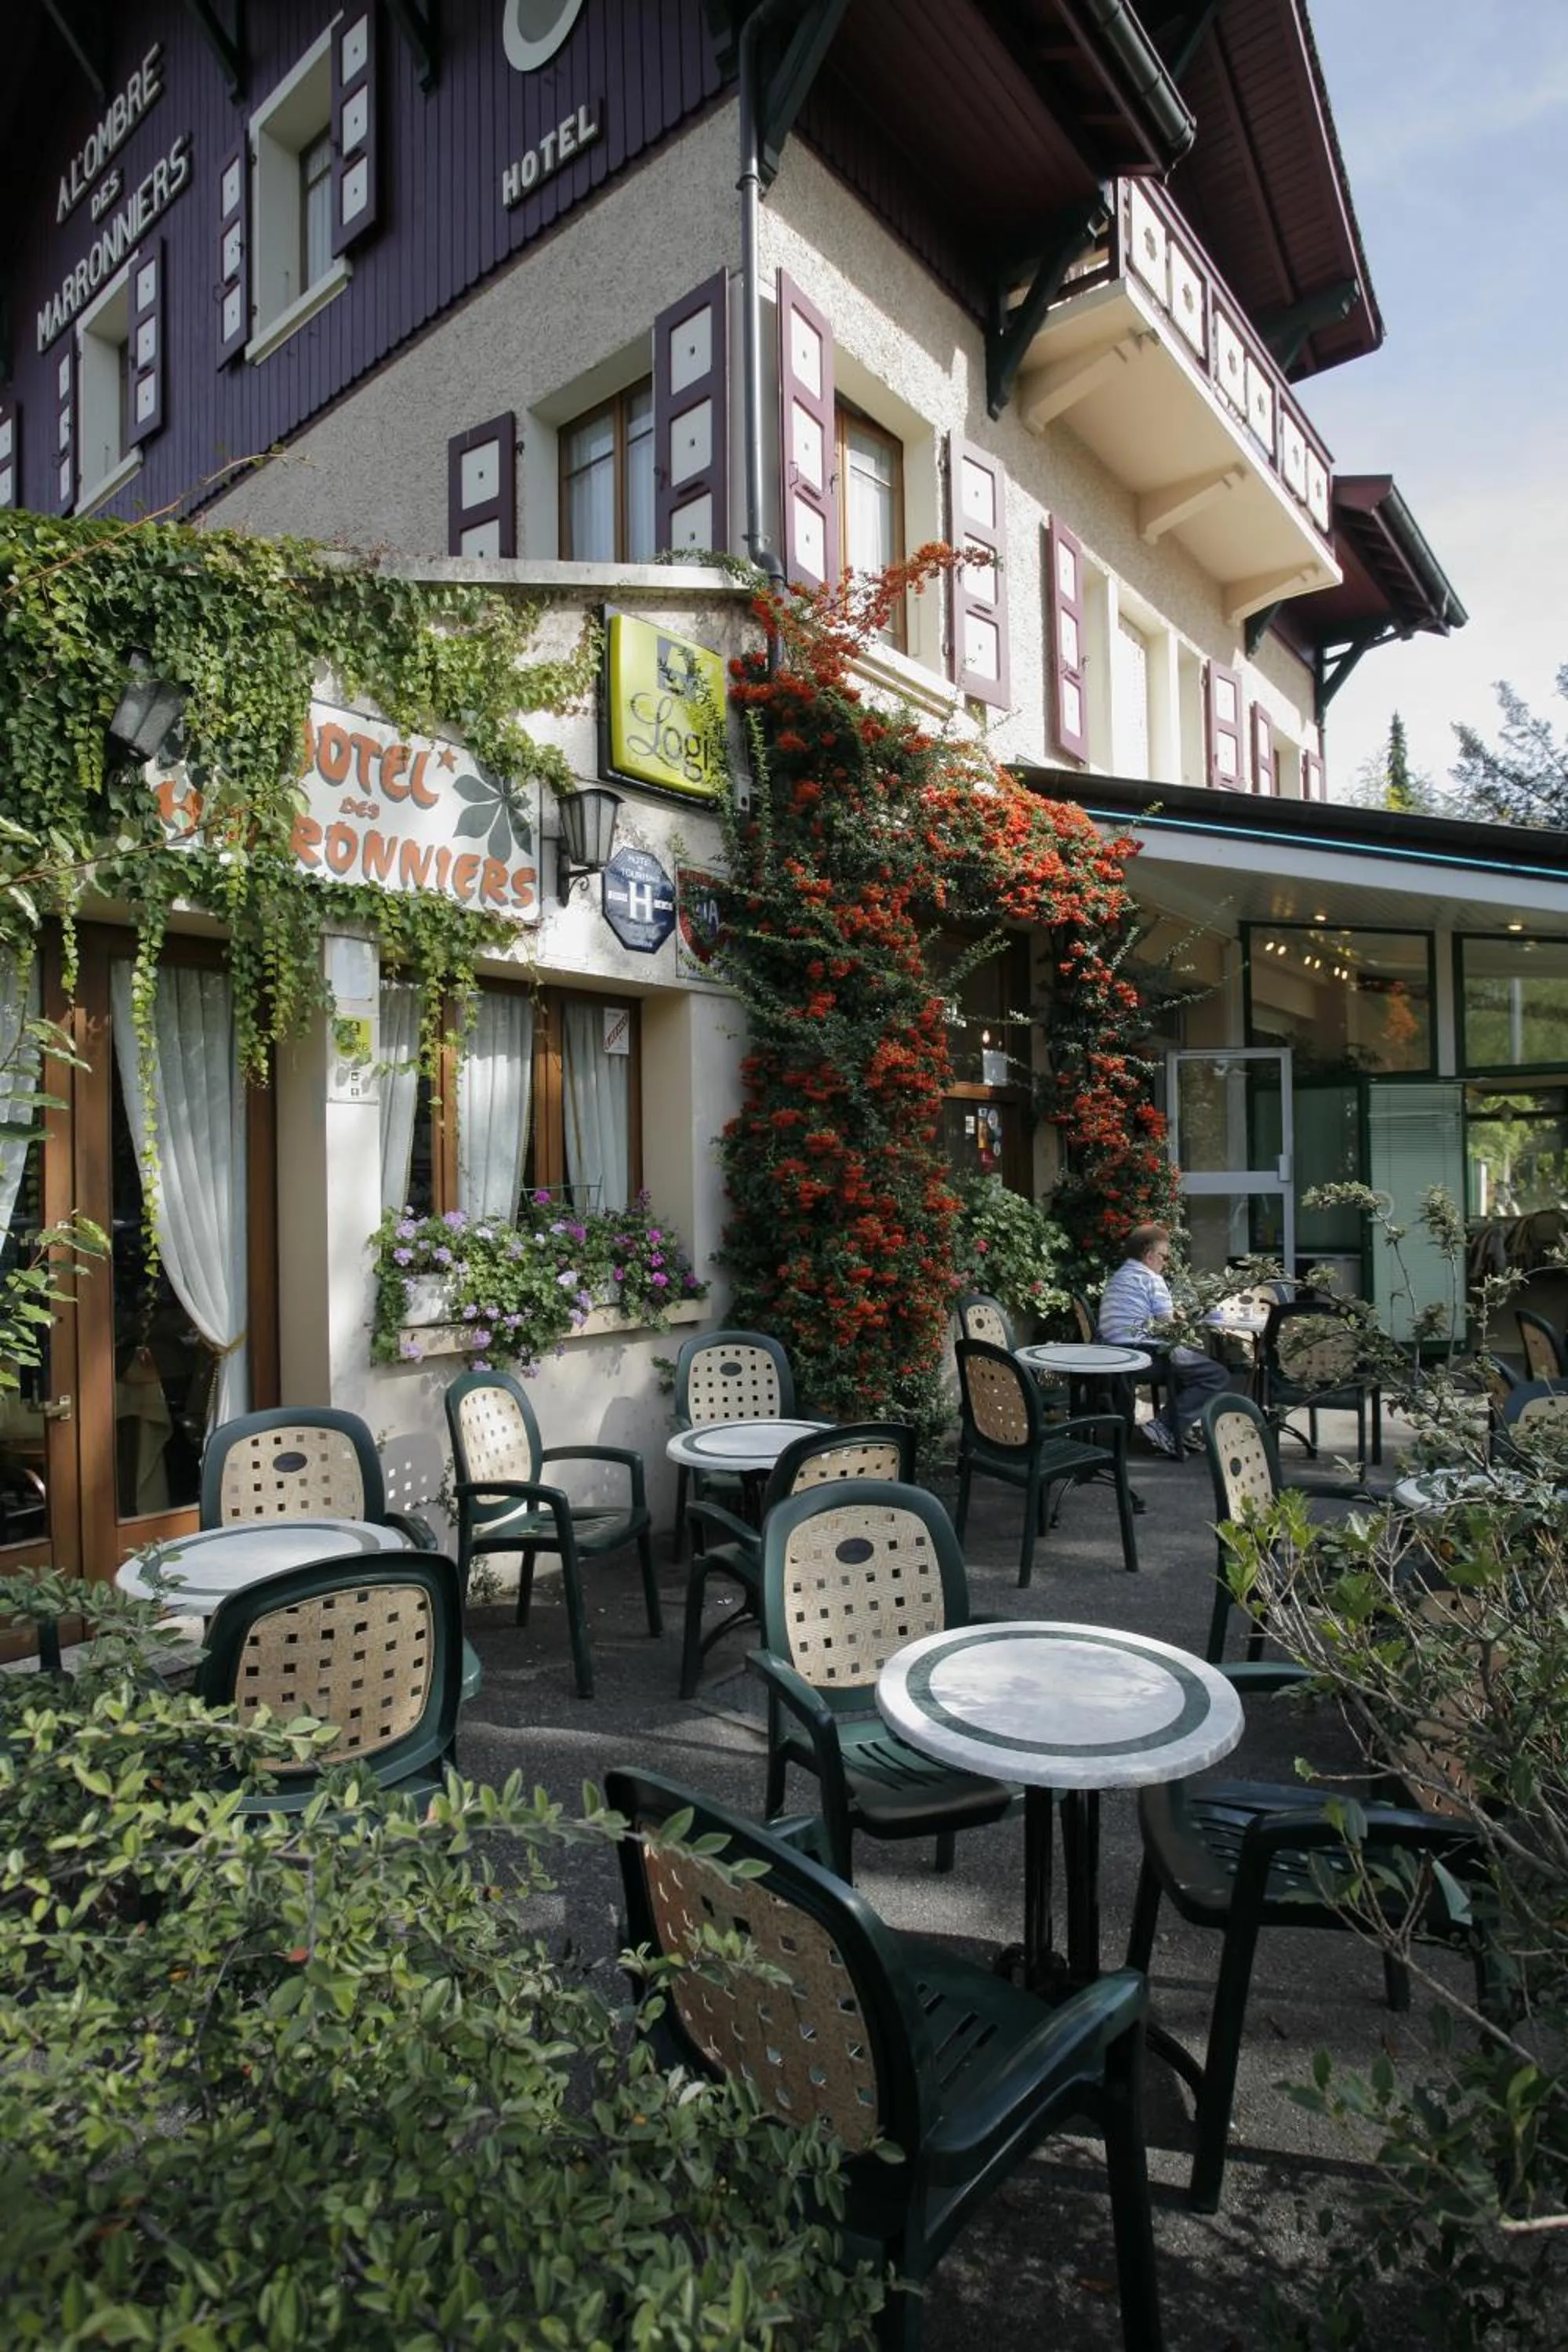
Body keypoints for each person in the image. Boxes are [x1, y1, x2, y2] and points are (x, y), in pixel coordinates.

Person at [1098, 1221, 1231, 1457]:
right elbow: (1169, 1326)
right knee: (1215, 1374)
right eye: (1165, 1257)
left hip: (1116, 1354)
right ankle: (1165, 1426)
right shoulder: (1151, 1279)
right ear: (1149, 1256)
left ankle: (1178, 1431)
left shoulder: (1119, 1277)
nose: (1165, 1263)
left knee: (1189, 1367)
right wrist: (1189, 1320)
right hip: (1144, 1354)